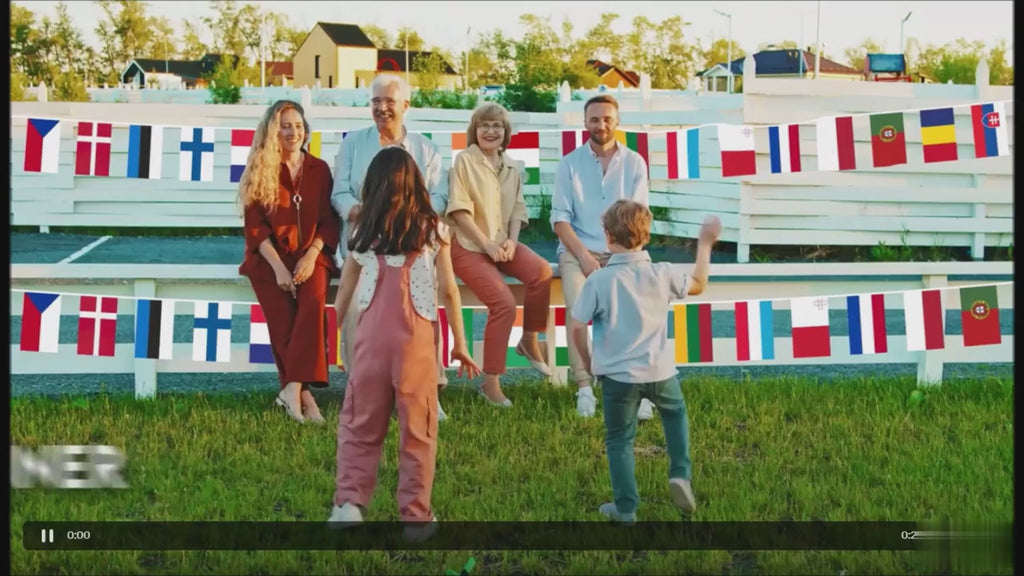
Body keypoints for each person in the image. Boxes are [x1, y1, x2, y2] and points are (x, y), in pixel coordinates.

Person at [329, 146, 481, 536]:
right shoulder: (433, 231)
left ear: (373, 187)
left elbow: (344, 291)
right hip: (416, 343)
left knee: (360, 422)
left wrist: (331, 336)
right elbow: (449, 290)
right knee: (419, 428)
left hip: (369, 341)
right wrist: (460, 344)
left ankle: (349, 504)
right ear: (415, 184)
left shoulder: (362, 233)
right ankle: (416, 516)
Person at [571, 200, 721, 522]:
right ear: (647, 236)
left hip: (617, 379)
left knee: (619, 440)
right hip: (661, 372)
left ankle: (625, 509)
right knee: (675, 415)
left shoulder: (598, 281)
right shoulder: (662, 272)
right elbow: (699, 284)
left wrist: (588, 364)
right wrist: (705, 243)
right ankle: (680, 472)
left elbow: (575, 327)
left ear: (607, 235)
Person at [331, 74, 452, 420]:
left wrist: (414, 212)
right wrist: (356, 210)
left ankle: (428, 387)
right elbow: (339, 192)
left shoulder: (425, 148)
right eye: (375, 102)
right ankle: (361, 387)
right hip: (365, 244)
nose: (382, 108)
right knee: (356, 306)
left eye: (389, 102)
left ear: (405, 106)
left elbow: (440, 196)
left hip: (411, 245)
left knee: (423, 306)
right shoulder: (353, 144)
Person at [551, 94, 657, 420]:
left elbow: (637, 218)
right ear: (585, 123)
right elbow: (559, 220)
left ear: (617, 121)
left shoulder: (635, 162)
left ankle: (639, 387)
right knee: (578, 310)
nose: (601, 125)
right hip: (577, 249)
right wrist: (583, 256)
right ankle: (584, 386)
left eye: (607, 118)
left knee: (639, 310)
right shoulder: (569, 163)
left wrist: (621, 258)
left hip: (625, 249)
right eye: (594, 119)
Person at [237, 99, 341, 424]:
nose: (293, 132)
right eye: (285, 126)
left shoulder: (319, 169)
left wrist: (312, 255)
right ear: (273, 131)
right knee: (283, 323)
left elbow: (329, 220)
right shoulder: (261, 169)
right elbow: (255, 227)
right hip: (269, 260)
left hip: (312, 256)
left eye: (298, 125)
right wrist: (279, 267)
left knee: (311, 307)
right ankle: (305, 398)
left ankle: (291, 389)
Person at [446, 103, 553, 407]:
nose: (490, 131)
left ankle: (529, 339)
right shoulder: (465, 161)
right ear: (475, 130)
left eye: (497, 126)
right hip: (468, 244)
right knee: (504, 303)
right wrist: (488, 245)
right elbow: (459, 210)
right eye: (484, 125)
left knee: (542, 271)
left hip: (502, 242)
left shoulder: (512, 167)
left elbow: (518, 210)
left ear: (506, 132)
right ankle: (490, 382)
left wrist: (511, 242)